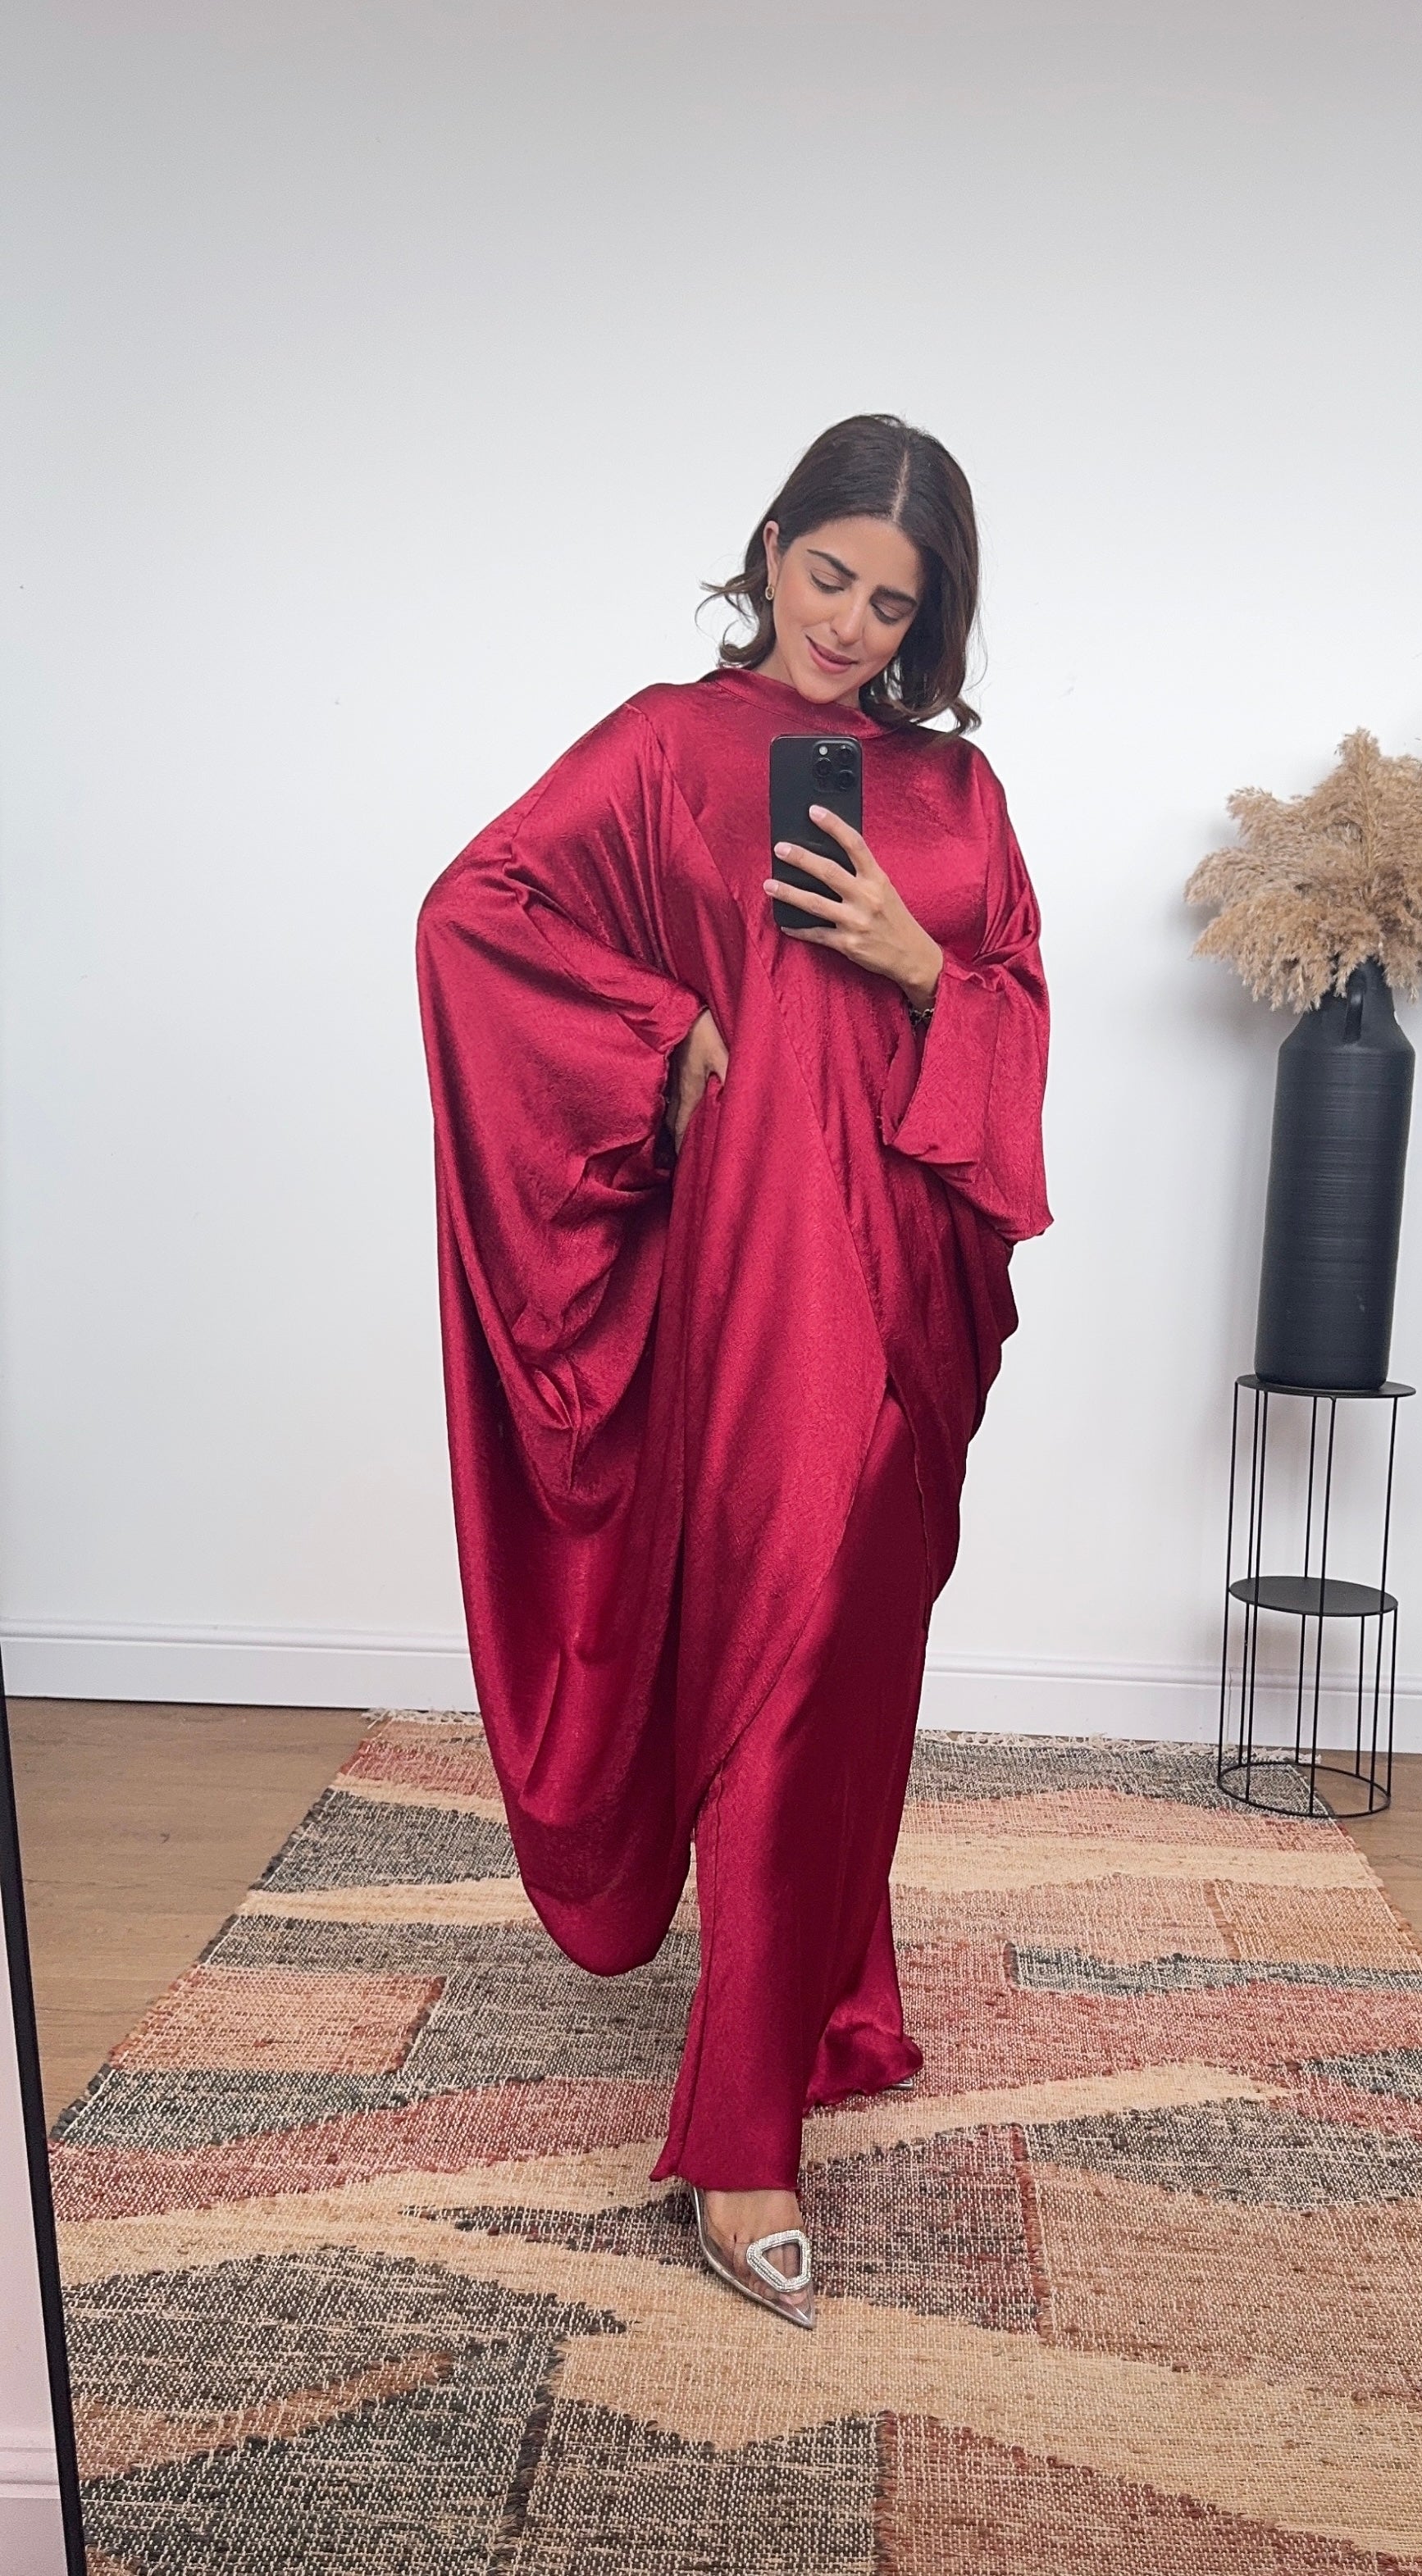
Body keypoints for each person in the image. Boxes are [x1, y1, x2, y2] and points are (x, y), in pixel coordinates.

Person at [417, 413, 1051, 2329]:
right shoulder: (662, 747)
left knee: (854, 1659)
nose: (850, 623)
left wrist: (917, 961)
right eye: (829, 573)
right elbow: (475, 912)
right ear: (771, 547)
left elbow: (1013, 1002)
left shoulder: (959, 790)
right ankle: (742, 2135)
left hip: (905, 1284)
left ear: (934, 620)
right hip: (761, 1292)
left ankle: (820, 2002)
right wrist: (653, 1022)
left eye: (894, 602)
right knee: (780, 1650)